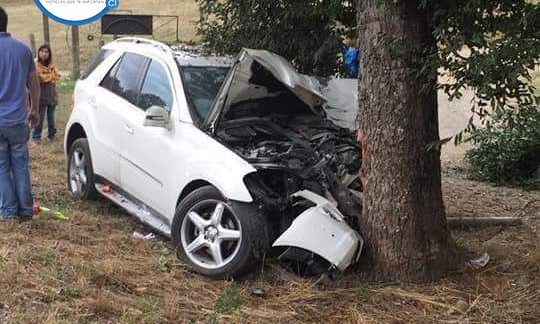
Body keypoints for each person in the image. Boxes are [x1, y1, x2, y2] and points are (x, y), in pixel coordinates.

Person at [0, 7, 40, 222]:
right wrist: (34, 109)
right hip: (17, 119)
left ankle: (8, 212)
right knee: (21, 165)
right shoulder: (23, 50)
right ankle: (25, 210)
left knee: (2, 167)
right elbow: (34, 84)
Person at [33, 44, 61, 143]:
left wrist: (48, 76)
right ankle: (36, 137)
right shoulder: (35, 64)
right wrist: (50, 76)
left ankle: (52, 135)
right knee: (39, 117)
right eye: (42, 51)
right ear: (39, 52)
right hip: (41, 94)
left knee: (51, 116)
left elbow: (57, 76)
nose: (44, 54)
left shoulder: (52, 64)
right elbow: (40, 78)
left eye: (47, 52)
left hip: (51, 93)